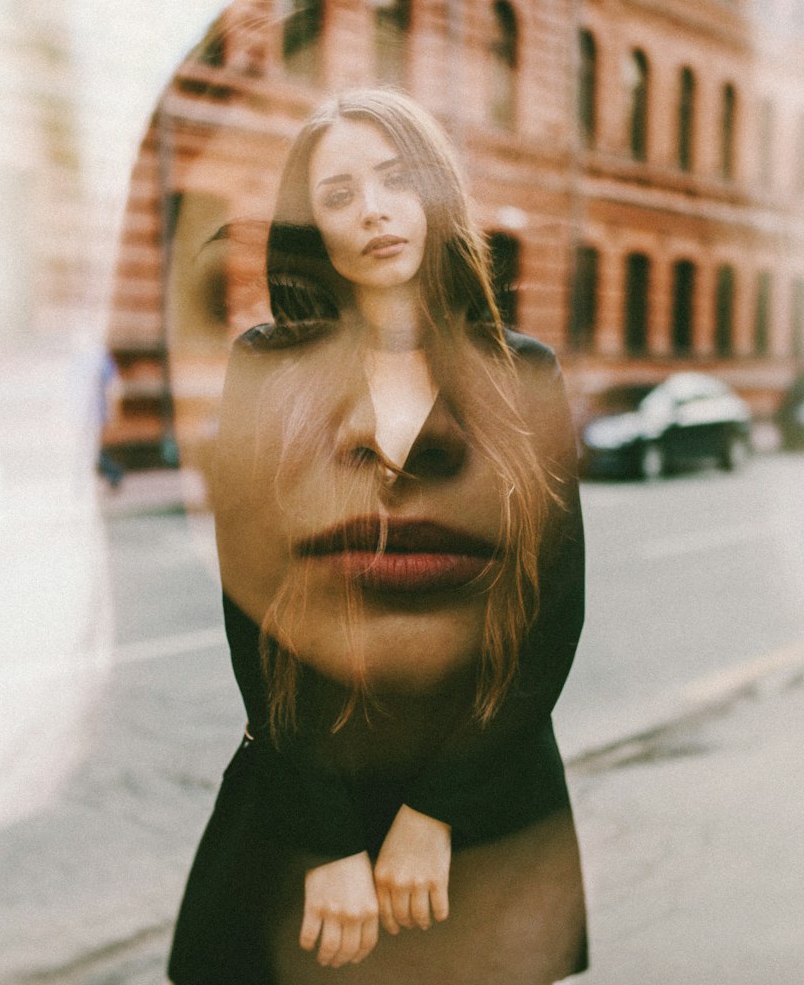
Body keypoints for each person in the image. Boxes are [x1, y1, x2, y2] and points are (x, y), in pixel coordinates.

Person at [117, 69, 588, 979]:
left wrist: (438, 814)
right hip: (308, 796)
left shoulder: (523, 375)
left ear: (436, 194)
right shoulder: (268, 370)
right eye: (339, 194)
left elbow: (548, 619)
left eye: (394, 177)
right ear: (313, 229)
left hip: (484, 813)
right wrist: (327, 841)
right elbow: (256, 616)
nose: (373, 211)